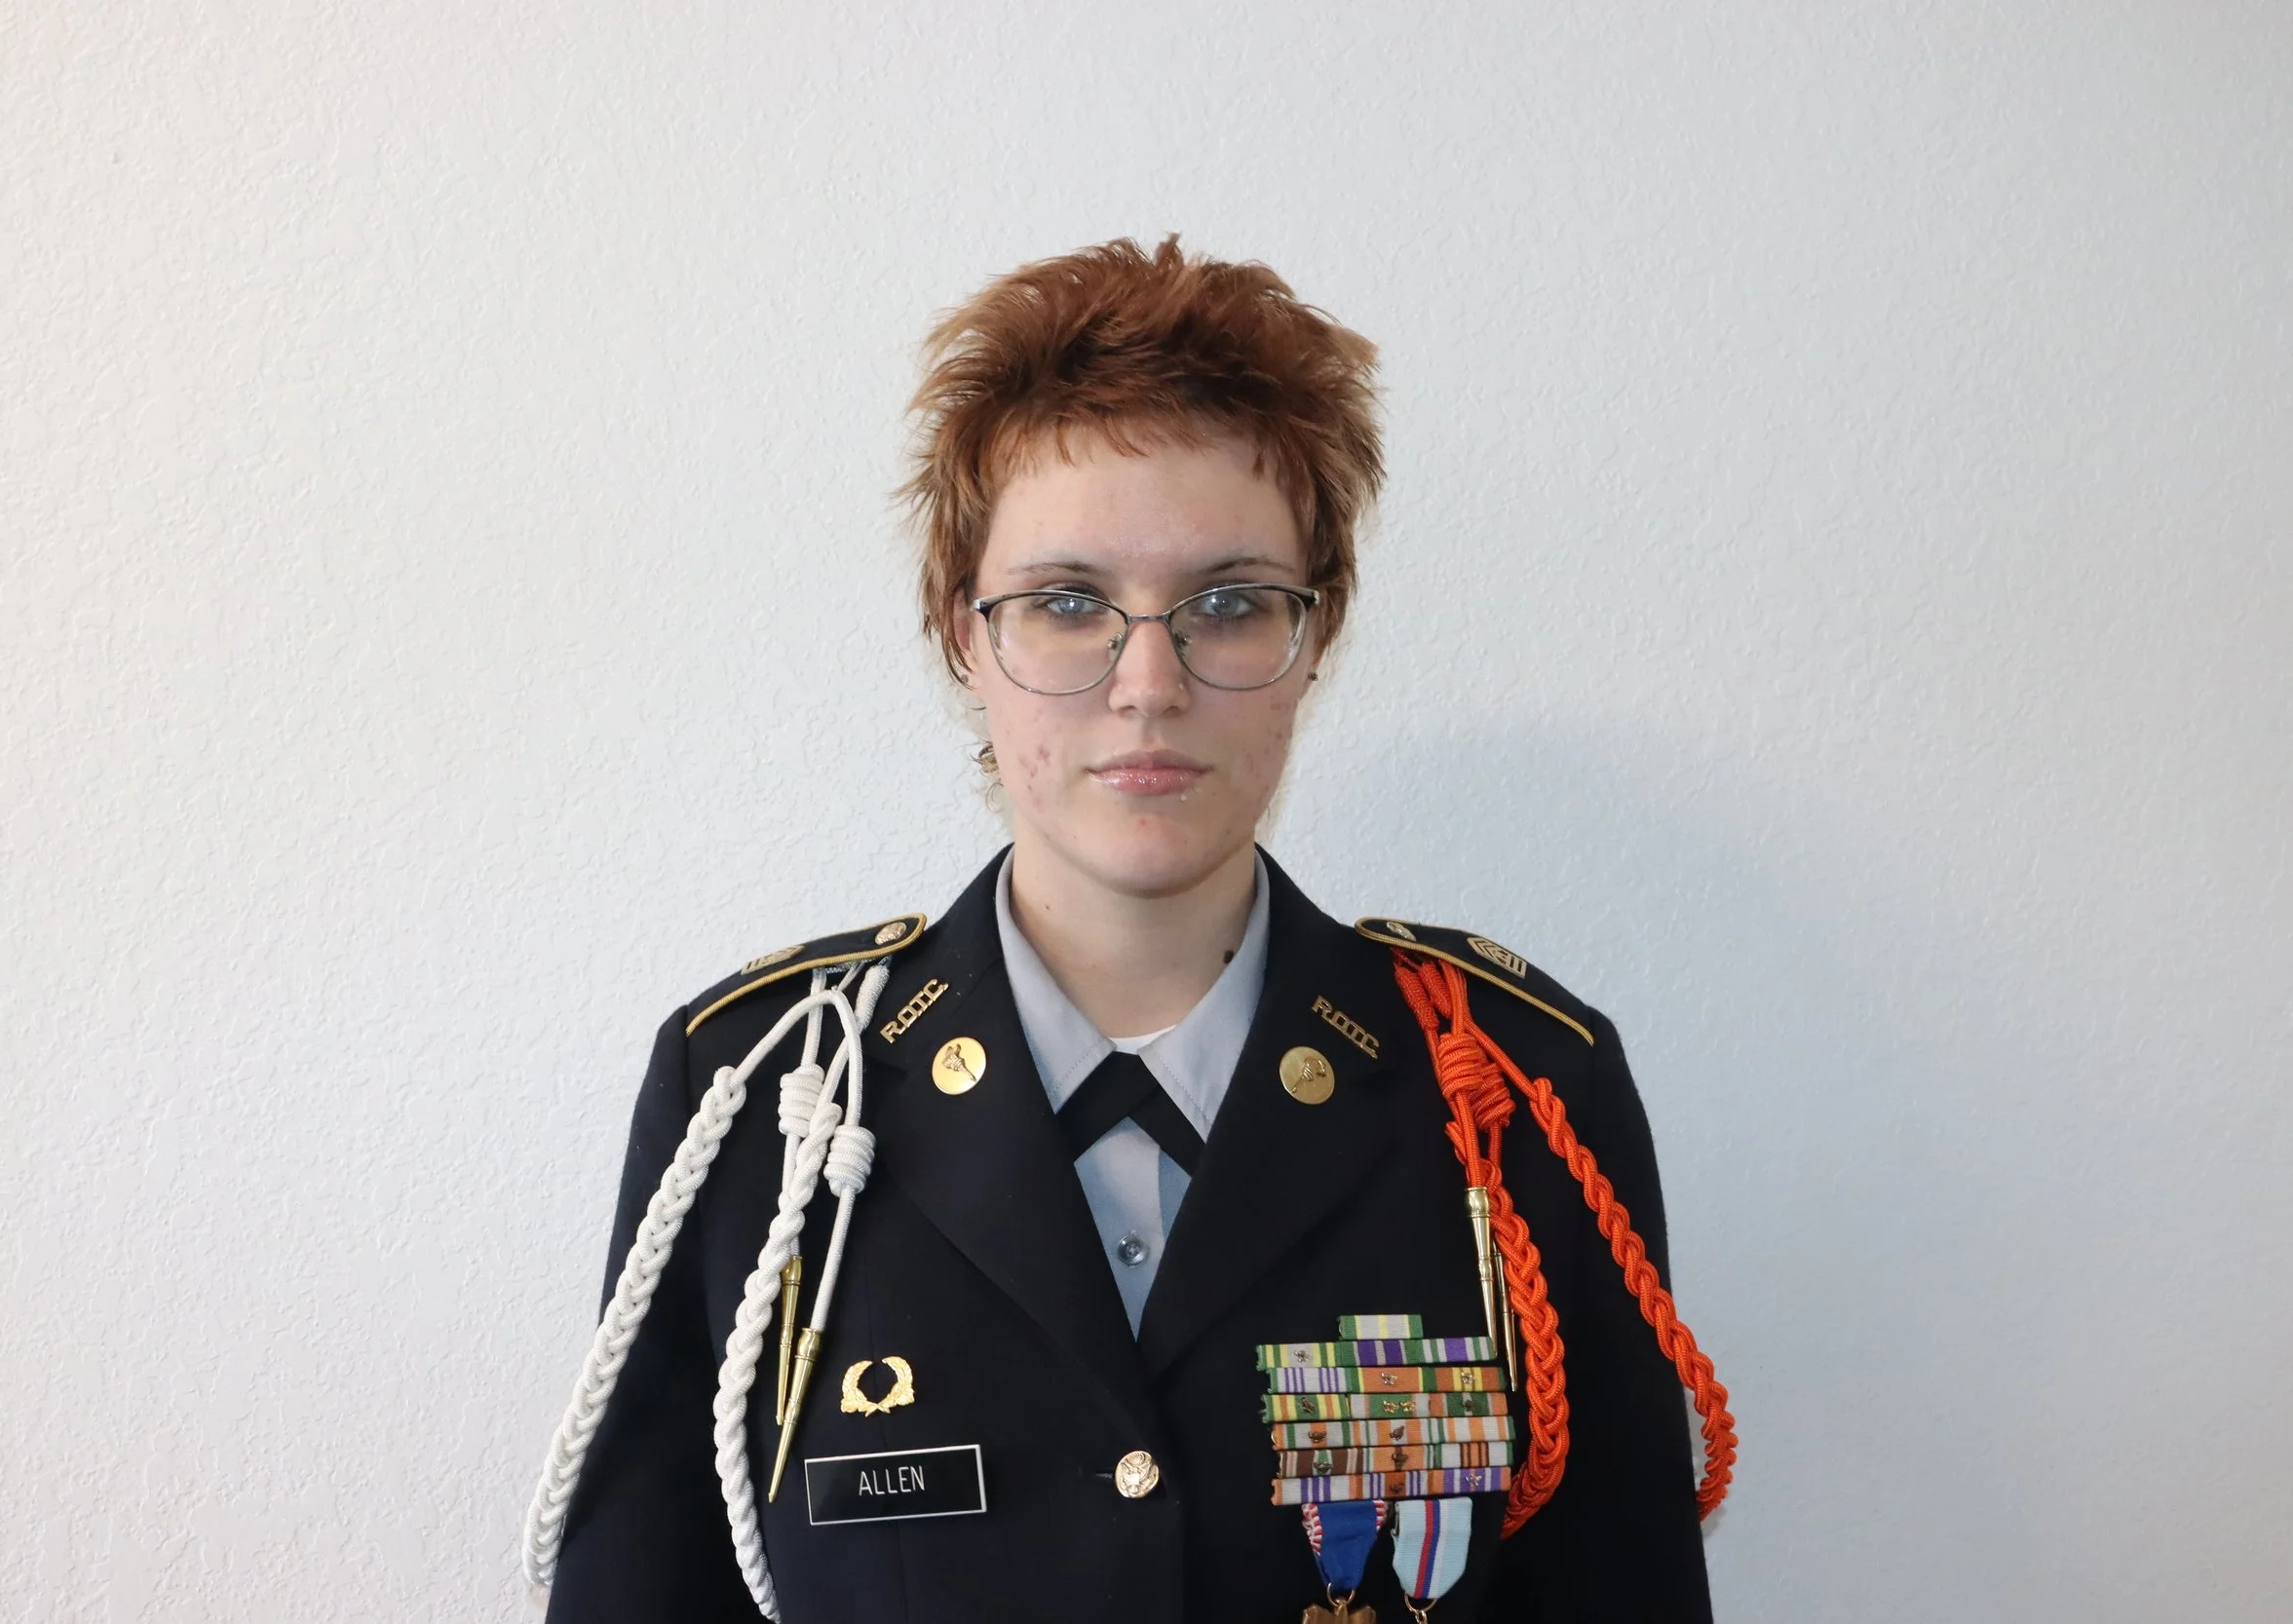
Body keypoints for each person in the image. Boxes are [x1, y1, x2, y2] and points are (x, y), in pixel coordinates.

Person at [523, 236, 1732, 1624]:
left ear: (1315, 636)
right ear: (960, 634)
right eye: (1067, 601)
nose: (1147, 681)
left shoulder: (1513, 1089)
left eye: (1228, 604)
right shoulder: (765, 1100)